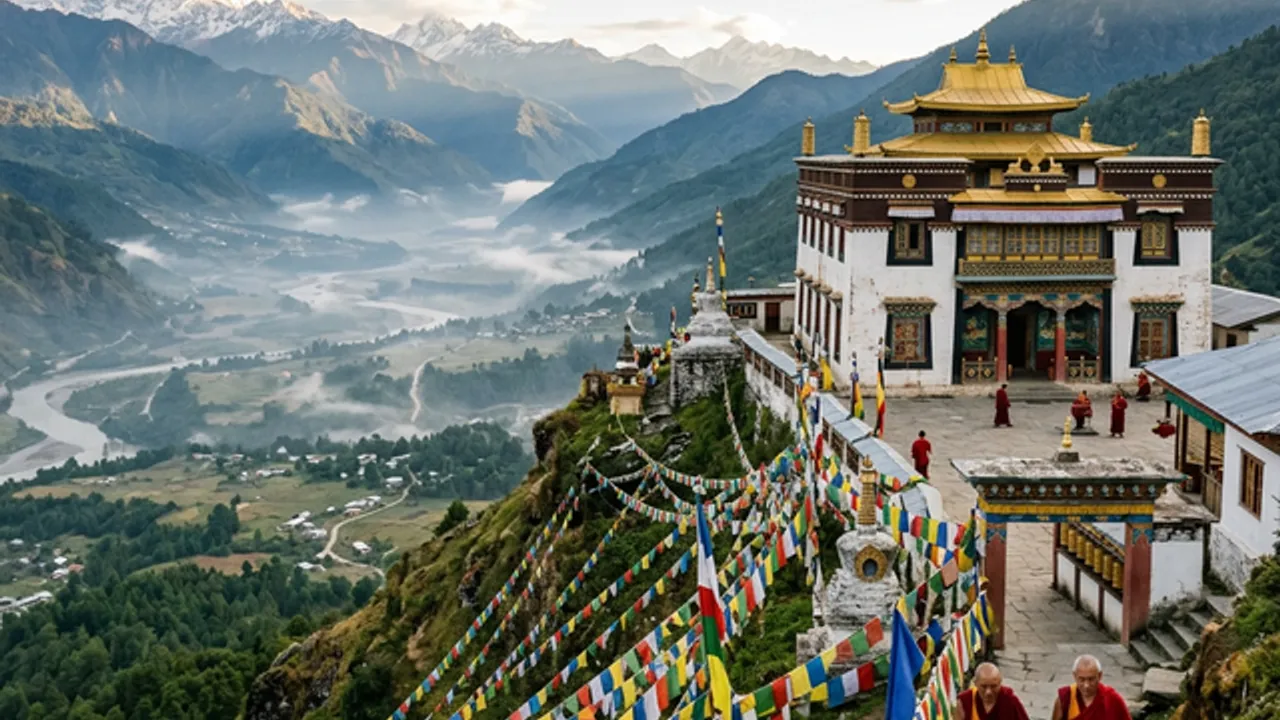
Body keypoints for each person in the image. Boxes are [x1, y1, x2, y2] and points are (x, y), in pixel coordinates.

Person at [1051, 655, 1132, 720]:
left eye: (1091, 679)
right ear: (1074, 676)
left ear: (1099, 676)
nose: (1086, 685)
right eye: (1081, 679)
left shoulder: (1112, 698)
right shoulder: (1066, 698)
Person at [954, 663, 1031, 720]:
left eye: (994, 686)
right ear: (975, 683)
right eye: (984, 686)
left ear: (1000, 683)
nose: (988, 692)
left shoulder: (1010, 700)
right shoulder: (965, 700)